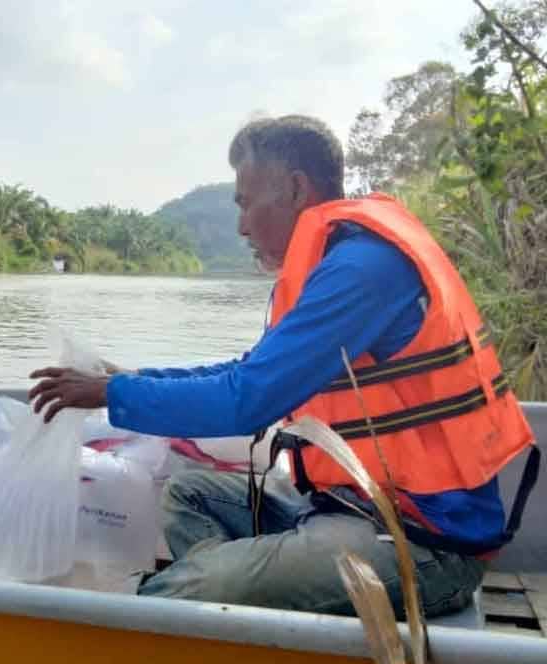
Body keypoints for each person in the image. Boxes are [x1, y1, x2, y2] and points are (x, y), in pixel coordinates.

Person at [28, 115, 539, 617]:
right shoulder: (333, 263)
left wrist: (109, 395)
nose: (241, 224)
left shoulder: (362, 270)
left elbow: (245, 401)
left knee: (196, 586)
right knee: (189, 493)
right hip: (347, 506)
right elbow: (246, 370)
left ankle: (213, 590)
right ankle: (251, 592)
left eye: (246, 202)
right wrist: (129, 382)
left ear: (296, 189)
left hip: (423, 541)